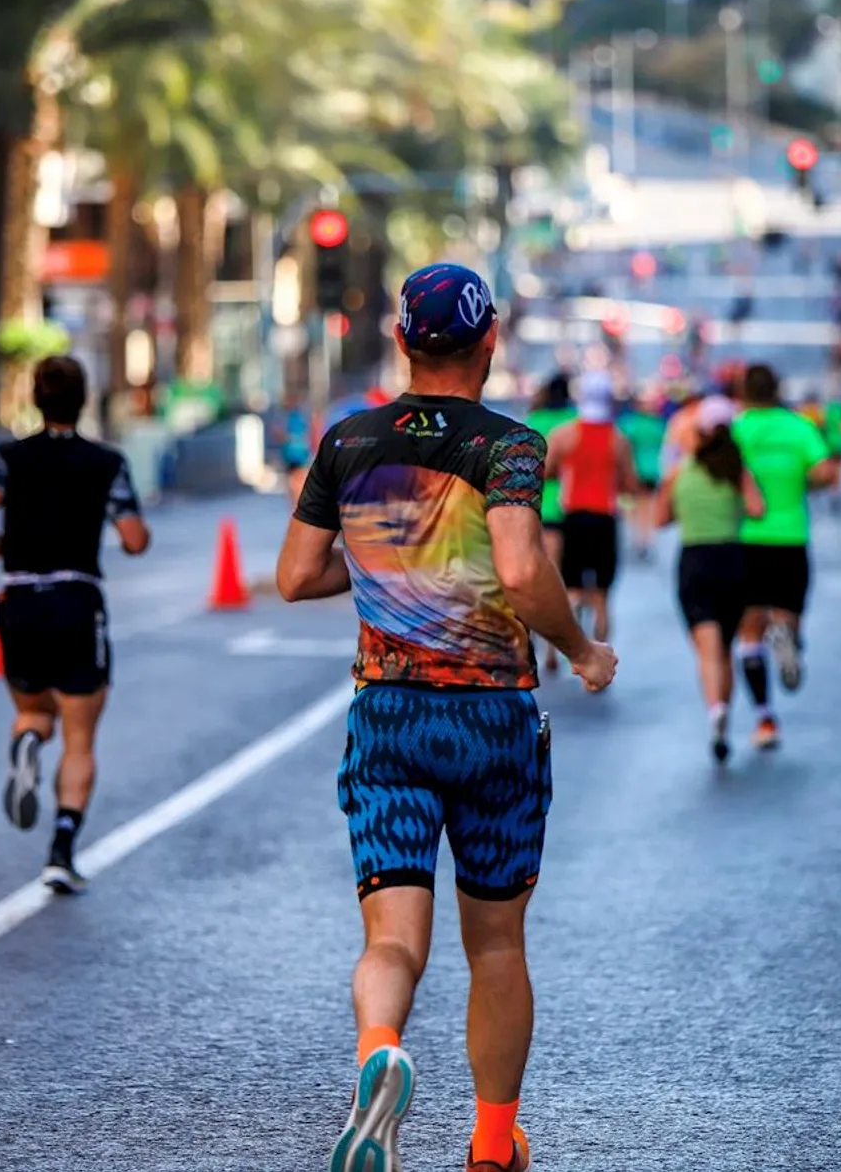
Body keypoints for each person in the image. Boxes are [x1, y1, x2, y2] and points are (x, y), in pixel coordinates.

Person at [276, 262, 617, 1172]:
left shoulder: (348, 440)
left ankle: (379, 1053)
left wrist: (396, 565)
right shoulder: (508, 445)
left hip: (385, 712)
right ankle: (492, 1144)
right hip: (491, 718)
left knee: (391, 938)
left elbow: (296, 574)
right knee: (497, 942)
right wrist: (582, 649)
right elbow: (517, 568)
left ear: (400, 340)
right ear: (489, 340)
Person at [0, 356, 150, 894]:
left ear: (36, 400)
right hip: (76, 598)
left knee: (32, 710)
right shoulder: (106, 463)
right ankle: (61, 850)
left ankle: (27, 742)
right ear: (84, 400)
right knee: (80, 735)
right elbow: (134, 539)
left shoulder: (7, 457)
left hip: (19, 596)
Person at [731, 364, 838, 751]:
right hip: (791, 534)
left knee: (748, 630)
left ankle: (764, 719)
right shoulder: (798, 427)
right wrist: (799, 479)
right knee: (788, 611)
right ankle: (788, 635)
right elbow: (827, 473)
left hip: (746, 536)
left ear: (743, 391)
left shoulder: (736, 429)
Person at [659, 395, 764, 762]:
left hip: (694, 561)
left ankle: (715, 709)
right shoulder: (737, 471)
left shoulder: (680, 472)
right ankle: (726, 712)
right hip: (734, 560)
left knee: (708, 649)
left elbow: (660, 518)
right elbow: (757, 508)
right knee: (728, 648)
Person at [545, 369, 638, 647]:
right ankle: (602, 654)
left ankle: (558, 648)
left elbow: (546, 470)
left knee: (571, 587)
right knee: (602, 595)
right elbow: (630, 483)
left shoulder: (565, 434)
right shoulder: (618, 439)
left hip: (573, 516)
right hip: (605, 518)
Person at [524, 374, 575, 674]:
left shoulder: (534, 419)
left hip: (534, 503)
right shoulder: (574, 421)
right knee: (556, 577)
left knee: (530, 574)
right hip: (566, 506)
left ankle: (528, 637)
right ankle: (554, 648)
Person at [618, 391, 667, 561]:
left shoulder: (629, 424)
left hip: (634, 471)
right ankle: (647, 540)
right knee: (648, 506)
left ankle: (638, 540)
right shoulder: (658, 425)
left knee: (633, 508)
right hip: (653, 471)